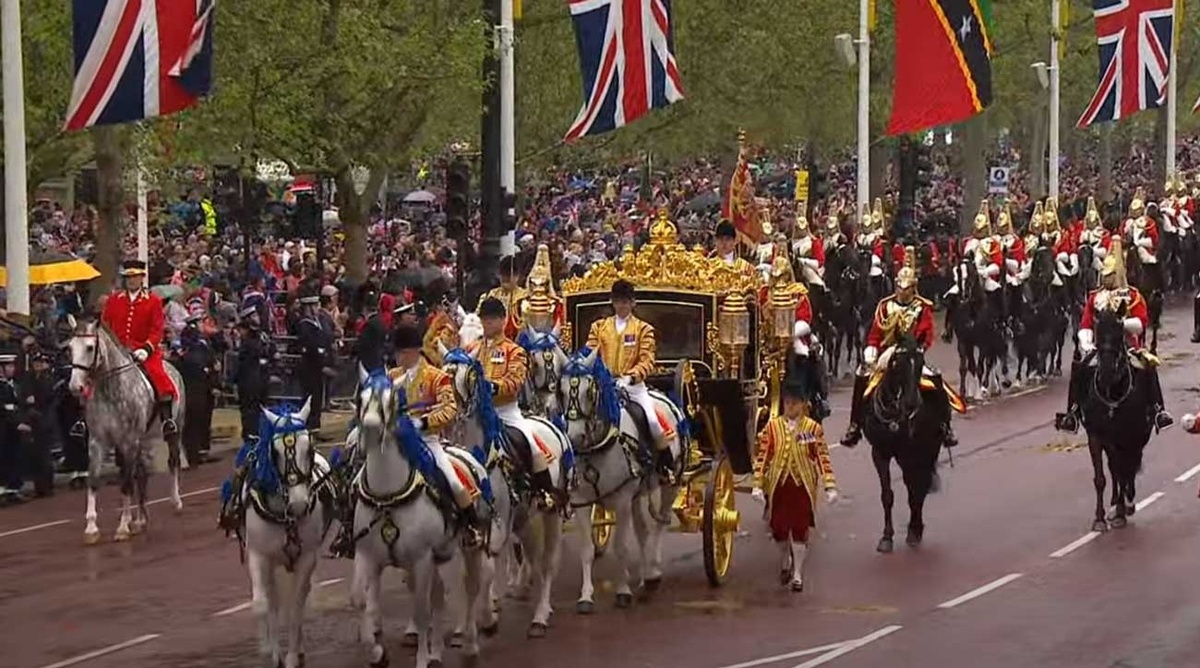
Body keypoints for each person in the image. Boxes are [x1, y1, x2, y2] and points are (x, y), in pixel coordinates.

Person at [1055, 238, 1174, 434]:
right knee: (1080, 368)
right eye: (1104, 275)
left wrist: (1120, 325)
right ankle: (1073, 412)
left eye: (1110, 275)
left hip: (1127, 344)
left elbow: (1141, 322)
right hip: (1100, 345)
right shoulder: (1096, 297)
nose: (1106, 279)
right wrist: (1086, 342)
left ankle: (1158, 410)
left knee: (1147, 368)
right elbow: (1086, 322)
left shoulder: (1132, 295)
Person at [389, 324, 489, 547]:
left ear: (412, 352)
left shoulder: (436, 377)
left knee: (454, 482)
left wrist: (422, 422)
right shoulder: (390, 377)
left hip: (428, 440)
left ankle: (471, 526)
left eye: (400, 353)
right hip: (395, 441)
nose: (396, 357)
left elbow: (449, 409)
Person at [842, 265, 958, 448]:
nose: (903, 293)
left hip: (912, 353)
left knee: (935, 379)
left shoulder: (922, 307)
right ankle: (854, 425)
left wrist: (918, 349)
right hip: (885, 357)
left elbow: (926, 334)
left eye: (907, 289)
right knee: (862, 378)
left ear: (913, 288)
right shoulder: (885, 306)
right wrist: (871, 351)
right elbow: (875, 333)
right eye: (900, 288)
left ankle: (945, 427)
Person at [470, 297, 563, 508]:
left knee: (532, 445)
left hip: (506, 411)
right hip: (477, 413)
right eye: (485, 320)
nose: (487, 324)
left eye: (492, 319)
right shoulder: (473, 350)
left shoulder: (515, 351)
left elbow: (517, 380)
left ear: (503, 321)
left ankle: (544, 491)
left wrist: (494, 387)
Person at [751, 375, 838, 592]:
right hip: (778, 485)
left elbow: (822, 457)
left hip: (802, 486)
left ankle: (798, 573)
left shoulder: (812, 428)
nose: (790, 407)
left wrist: (829, 485)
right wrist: (757, 484)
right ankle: (785, 559)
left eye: (794, 403)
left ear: (802, 404)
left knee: (800, 529)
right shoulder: (772, 427)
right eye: (787, 403)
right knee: (779, 529)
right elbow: (763, 457)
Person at [584, 279, 676, 480]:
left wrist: (631, 377)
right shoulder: (599, 328)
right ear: (613, 303)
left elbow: (647, 359)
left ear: (633, 303)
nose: (622, 306)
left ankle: (664, 466)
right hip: (604, 386)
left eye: (626, 302)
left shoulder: (643, 329)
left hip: (633, 387)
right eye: (618, 301)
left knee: (654, 422)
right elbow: (590, 355)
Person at [101, 259, 178, 437]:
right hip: (118, 350)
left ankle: (167, 419)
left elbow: (157, 329)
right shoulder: (114, 300)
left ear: (142, 278)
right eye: (128, 277)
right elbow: (106, 324)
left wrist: (147, 348)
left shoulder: (153, 301)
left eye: (135, 277)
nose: (131, 281)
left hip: (144, 351)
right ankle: (84, 419)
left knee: (159, 375)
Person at [176, 312, 218, 465]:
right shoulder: (190, 343)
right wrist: (207, 369)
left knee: (203, 420)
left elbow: (212, 359)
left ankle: (202, 451)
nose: (202, 325)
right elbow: (195, 363)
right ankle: (193, 454)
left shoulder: (203, 342)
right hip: (194, 387)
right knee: (193, 421)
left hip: (205, 386)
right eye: (199, 322)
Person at [295, 293, 333, 432]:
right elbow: (311, 346)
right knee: (310, 396)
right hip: (310, 366)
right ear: (308, 308)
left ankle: (314, 426)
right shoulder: (304, 325)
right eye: (315, 306)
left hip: (317, 366)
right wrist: (322, 363)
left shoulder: (318, 322)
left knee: (317, 396)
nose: (317, 308)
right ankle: (308, 425)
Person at [477, 256, 527, 339]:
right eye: (503, 274)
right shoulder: (490, 295)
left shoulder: (524, 297)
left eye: (509, 275)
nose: (506, 278)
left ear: (517, 276)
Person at [422, 292, 460, 366]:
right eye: (456, 305)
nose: (457, 308)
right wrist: (439, 361)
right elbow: (427, 341)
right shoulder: (441, 319)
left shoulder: (454, 319)